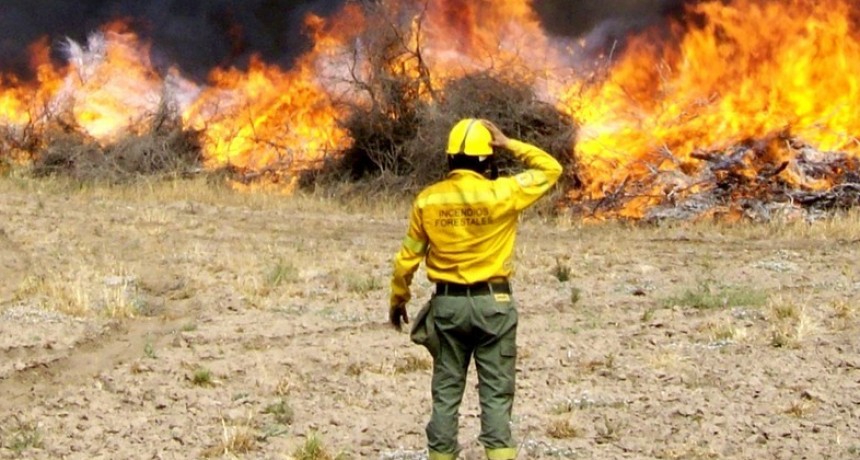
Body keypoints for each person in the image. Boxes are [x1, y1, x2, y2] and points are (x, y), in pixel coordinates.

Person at [388, 118, 563, 460]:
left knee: (445, 393)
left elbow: (406, 258)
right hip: (494, 306)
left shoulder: (427, 201)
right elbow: (551, 168)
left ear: (450, 158)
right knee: (496, 396)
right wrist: (509, 142)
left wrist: (399, 297)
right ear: (488, 160)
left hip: (447, 307)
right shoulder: (505, 193)